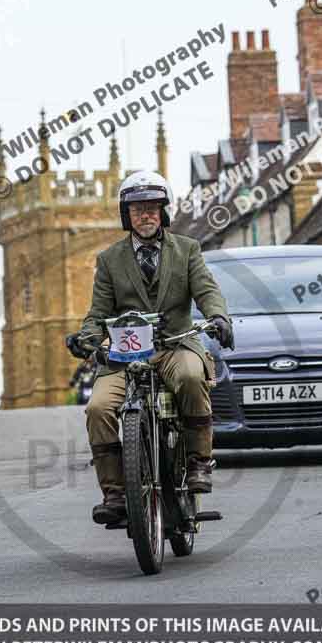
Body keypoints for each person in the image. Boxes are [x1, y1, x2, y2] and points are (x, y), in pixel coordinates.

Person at [66, 170, 234, 526]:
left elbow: (206, 290)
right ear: (127, 215)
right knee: (98, 407)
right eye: (138, 209)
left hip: (176, 345)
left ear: (164, 213)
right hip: (126, 353)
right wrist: (87, 340)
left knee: (191, 376)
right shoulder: (110, 260)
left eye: (153, 208)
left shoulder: (187, 249)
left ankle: (198, 463)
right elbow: (98, 313)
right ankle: (114, 492)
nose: (146, 215)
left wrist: (219, 317)